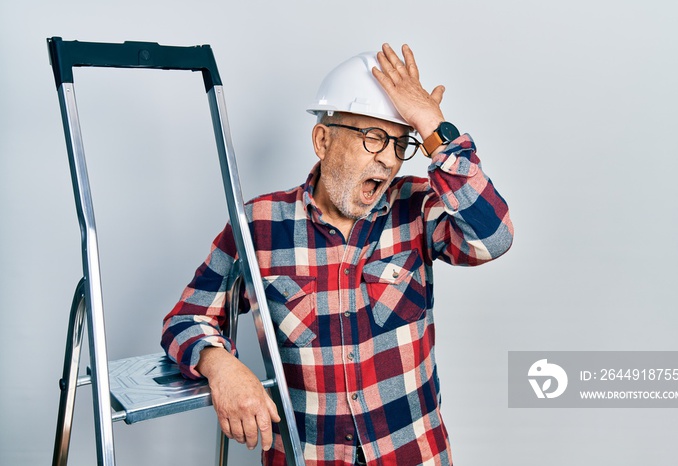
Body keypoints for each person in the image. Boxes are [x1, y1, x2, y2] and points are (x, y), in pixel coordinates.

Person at [161, 43, 513, 465]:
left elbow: (493, 237)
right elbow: (185, 318)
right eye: (374, 137)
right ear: (323, 139)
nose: (388, 159)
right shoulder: (259, 224)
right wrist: (220, 366)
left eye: (401, 144)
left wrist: (435, 128)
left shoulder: (418, 207)